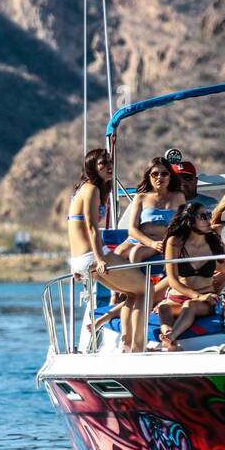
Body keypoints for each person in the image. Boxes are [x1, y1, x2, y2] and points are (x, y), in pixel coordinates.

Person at [64, 148, 148, 352]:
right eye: (103, 163)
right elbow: (92, 227)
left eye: (110, 162)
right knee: (147, 288)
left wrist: (77, 265)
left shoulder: (85, 189)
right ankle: (138, 347)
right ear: (92, 167)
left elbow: (74, 227)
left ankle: (128, 345)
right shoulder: (91, 188)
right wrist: (100, 259)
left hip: (82, 258)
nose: (109, 166)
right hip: (92, 256)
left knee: (132, 293)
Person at [157, 202, 225, 351]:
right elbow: (173, 280)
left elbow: (220, 266)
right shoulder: (175, 242)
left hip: (205, 299)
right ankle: (168, 336)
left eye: (209, 216)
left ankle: (170, 338)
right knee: (163, 308)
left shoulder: (212, 241)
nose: (208, 220)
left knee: (190, 305)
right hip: (178, 297)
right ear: (190, 220)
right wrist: (196, 295)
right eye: (203, 216)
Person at [115, 157, 186, 265]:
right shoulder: (140, 197)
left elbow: (184, 225)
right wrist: (151, 243)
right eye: (155, 174)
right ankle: (125, 282)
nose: (159, 177)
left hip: (162, 242)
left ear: (170, 176)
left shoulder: (178, 197)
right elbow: (132, 229)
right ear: (149, 176)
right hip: (139, 240)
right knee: (117, 254)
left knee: (136, 253)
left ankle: (140, 282)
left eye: (164, 174)